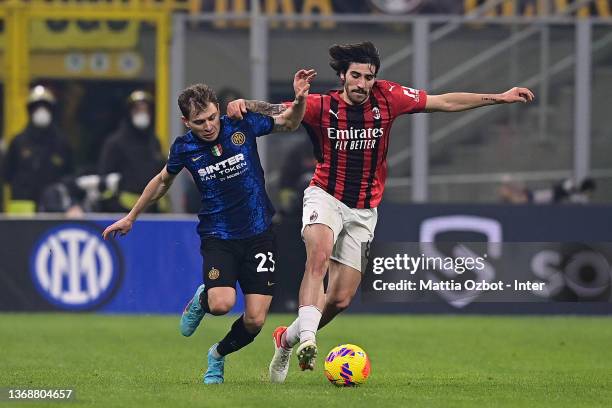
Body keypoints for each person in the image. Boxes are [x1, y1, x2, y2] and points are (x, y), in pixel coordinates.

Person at [227, 41, 535, 381]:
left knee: (341, 299)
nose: (361, 84)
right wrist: (247, 104)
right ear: (343, 75)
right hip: (324, 195)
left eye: (368, 77)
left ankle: (286, 340)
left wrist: (500, 97)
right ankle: (309, 341)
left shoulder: (389, 97)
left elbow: (444, 101)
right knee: (319, 256)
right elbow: (281, 116)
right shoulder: (322, 105)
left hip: (364, 208)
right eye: (355, 76)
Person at [102, 68, 316, 384]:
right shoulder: (184, 147)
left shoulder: (241, 126)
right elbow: (162, 182)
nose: (208, 126)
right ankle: (204, 299)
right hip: (219, 236)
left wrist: (299, 99)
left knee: (256, 320)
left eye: (212, 117)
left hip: (259, 235)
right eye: (199, 122)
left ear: (218, 109)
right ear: (187, 123)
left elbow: (290, 121)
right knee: (222, 304)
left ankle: (217, 355)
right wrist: (131, 216)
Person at [2, 85, 73, 213]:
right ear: (30, 111)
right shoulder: (18, 142)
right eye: (37, 107)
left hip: (53, 208)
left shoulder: (61, 143)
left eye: (46, 107)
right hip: (22, 211)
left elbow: (70, 174)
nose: (41, 111)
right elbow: (6, 175)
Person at [98, 90, 166, 213]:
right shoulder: (115, 142)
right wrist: (114, 206)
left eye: (145, 110)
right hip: (122, 210)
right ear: (129, 113)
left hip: (151, 209)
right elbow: (104, 180)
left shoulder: (154, 142)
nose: (142, 114)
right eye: (138, 110)